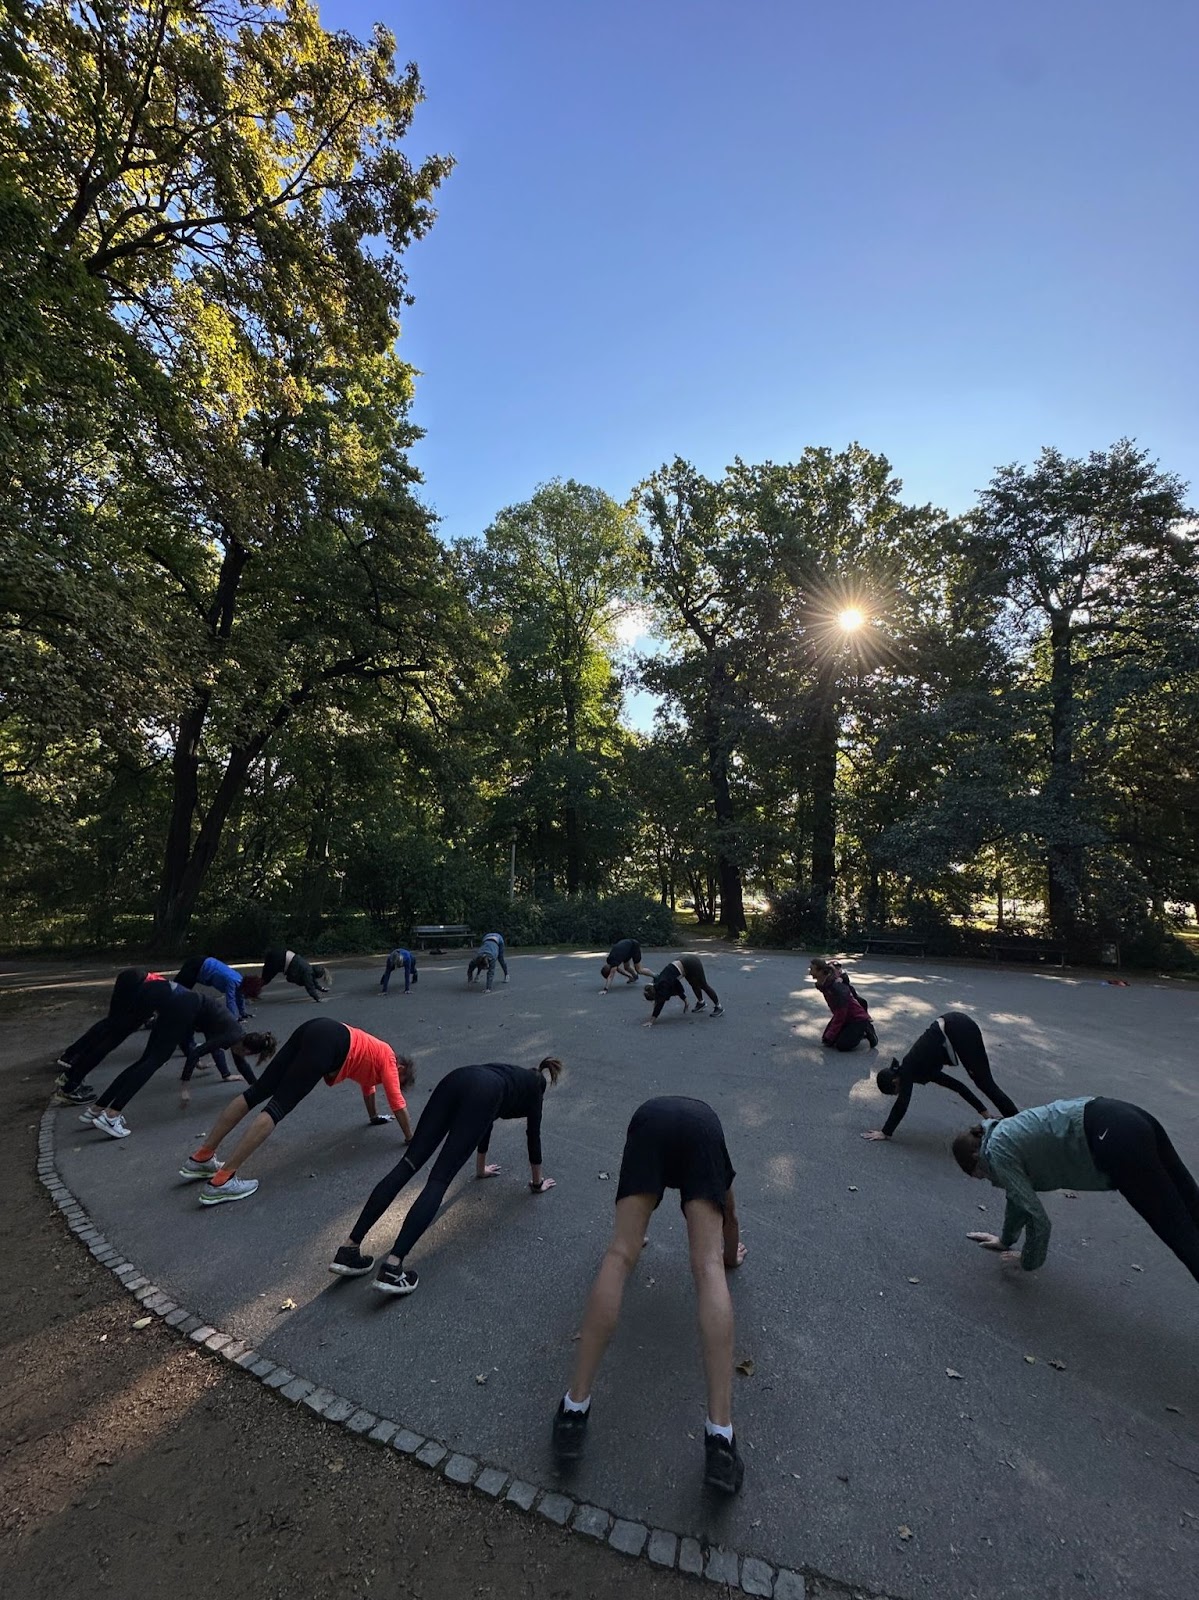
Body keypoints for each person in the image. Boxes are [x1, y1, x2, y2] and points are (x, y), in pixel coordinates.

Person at [551, 1096, 747, 1493]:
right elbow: (730, 1212)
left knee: (620, 1254)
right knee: (708, 1268)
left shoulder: (650, 1118)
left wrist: (634, 1240)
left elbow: (629, 1239)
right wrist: (729, 1256)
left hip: (648, 1123)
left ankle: (574, 1409)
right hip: (700, 1129)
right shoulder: (710, 1130)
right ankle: (721, 1438)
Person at [328, 1057, 561, 1295]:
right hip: (483, 1094)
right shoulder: (534, 1092)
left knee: (408, 1163)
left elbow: (486, 1122)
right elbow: (533, 1137)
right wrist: (537, 1183)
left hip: (456, 1078)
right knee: (439, 1179)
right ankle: (392, 1268)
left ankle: (349, 1249)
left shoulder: (509, 1073)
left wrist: (481, 1169)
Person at [953, 1097, 1199, 1283]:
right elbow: (1018, 1197)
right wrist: (1005, 1240)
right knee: (1191, 1203)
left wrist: (1027, 1260)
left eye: (980, 1174)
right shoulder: (1001, 1133)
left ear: (976, 1156)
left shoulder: (996, 1154)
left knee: (1178, 1231)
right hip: (1125, 1116)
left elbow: (1037, 1218)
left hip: (1114, 1136)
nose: (986, 1178)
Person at [178, 1018, 415, 1205]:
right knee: (277, 1107)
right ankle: (222, 1180)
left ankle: (202, 1157)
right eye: (399, 1079)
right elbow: (398, 1102)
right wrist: (411, 1138)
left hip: (316, 1028)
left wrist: (373, 1117)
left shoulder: (376, 1058)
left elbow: (368, 1089)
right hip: (330, 1044)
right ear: (401, 1067)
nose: (393, 1081)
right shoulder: (390, 1062)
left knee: (256, 1092)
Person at [80, 989, 277, 1139]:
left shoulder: (235, 1035)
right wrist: (185, 1085)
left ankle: (97, 1109)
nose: (242, 1058)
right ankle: (112, 1115)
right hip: (184, 1008)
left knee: (145, 1061)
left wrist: (257, 1089)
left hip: (181, 1005)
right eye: (247, 1055)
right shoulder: (231, 1035)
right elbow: (196, 1053)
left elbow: (241, 1065)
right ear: (248, 1049)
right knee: (154, 1061)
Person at [863, 1012, 1018, 1141]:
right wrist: (984, 1112)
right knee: (984, 1082)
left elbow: (902, 1104)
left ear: (895, 1081)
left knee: (985, 1083)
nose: (898, 1093)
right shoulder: (923, 1069)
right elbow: (958, 1087)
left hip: (957, 1028)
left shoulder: (909, 1067)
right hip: (958, 1024)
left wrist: (885, 1132)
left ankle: (1019, 1124)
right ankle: (1018, 1122)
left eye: (895, 1091)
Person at [54, 972, 177, 1104]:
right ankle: (70, 1086)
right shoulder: (181, 1006)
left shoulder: (182, 994)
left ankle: (69, 1075)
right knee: (109, 1042)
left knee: (108, 1028)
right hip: (140, 987)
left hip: (135, 978)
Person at [810, 958, 876, 1051]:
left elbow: (841, 1014)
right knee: (827, 1040)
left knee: (842, 1045)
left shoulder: (836, 988)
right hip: (844, 1015)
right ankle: (850, 1032)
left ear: (821, 971)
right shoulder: (825, 983)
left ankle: (867, 1029)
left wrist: (831, 1034)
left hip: (857, 1018)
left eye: (812, 969)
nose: (810, 973)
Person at [643, 955, 723, 1024]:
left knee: (703, 985)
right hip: (684, 964)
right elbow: (677, 985)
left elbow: (660, 1002)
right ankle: (701, 1003)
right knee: (693, 984)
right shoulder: (657, 983)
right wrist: (685, 1001)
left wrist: (652, 1020)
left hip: (691, 963)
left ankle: (718, 1007)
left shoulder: (663, 984)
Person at [174, 955, 259, 1019]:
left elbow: (239, 997)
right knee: (178, 990)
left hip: (202, 965)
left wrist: (243, 1013)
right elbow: (231, 999)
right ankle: (171, 1011)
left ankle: (175, 1010)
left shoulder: (239, 980)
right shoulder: (232, 981)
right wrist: (233, 1018)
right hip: (197, 966)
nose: (246, 997)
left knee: (181, 991)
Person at [261, 947, 331, 1002]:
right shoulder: (308, 973)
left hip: (281, 955)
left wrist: (321, 989)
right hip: (280, 959)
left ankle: (253, 989)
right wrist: (317, 998)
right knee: (265, 979)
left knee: (265, 978)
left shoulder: (308, 968)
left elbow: (312, 982)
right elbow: (310, 985)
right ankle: (252, 991)